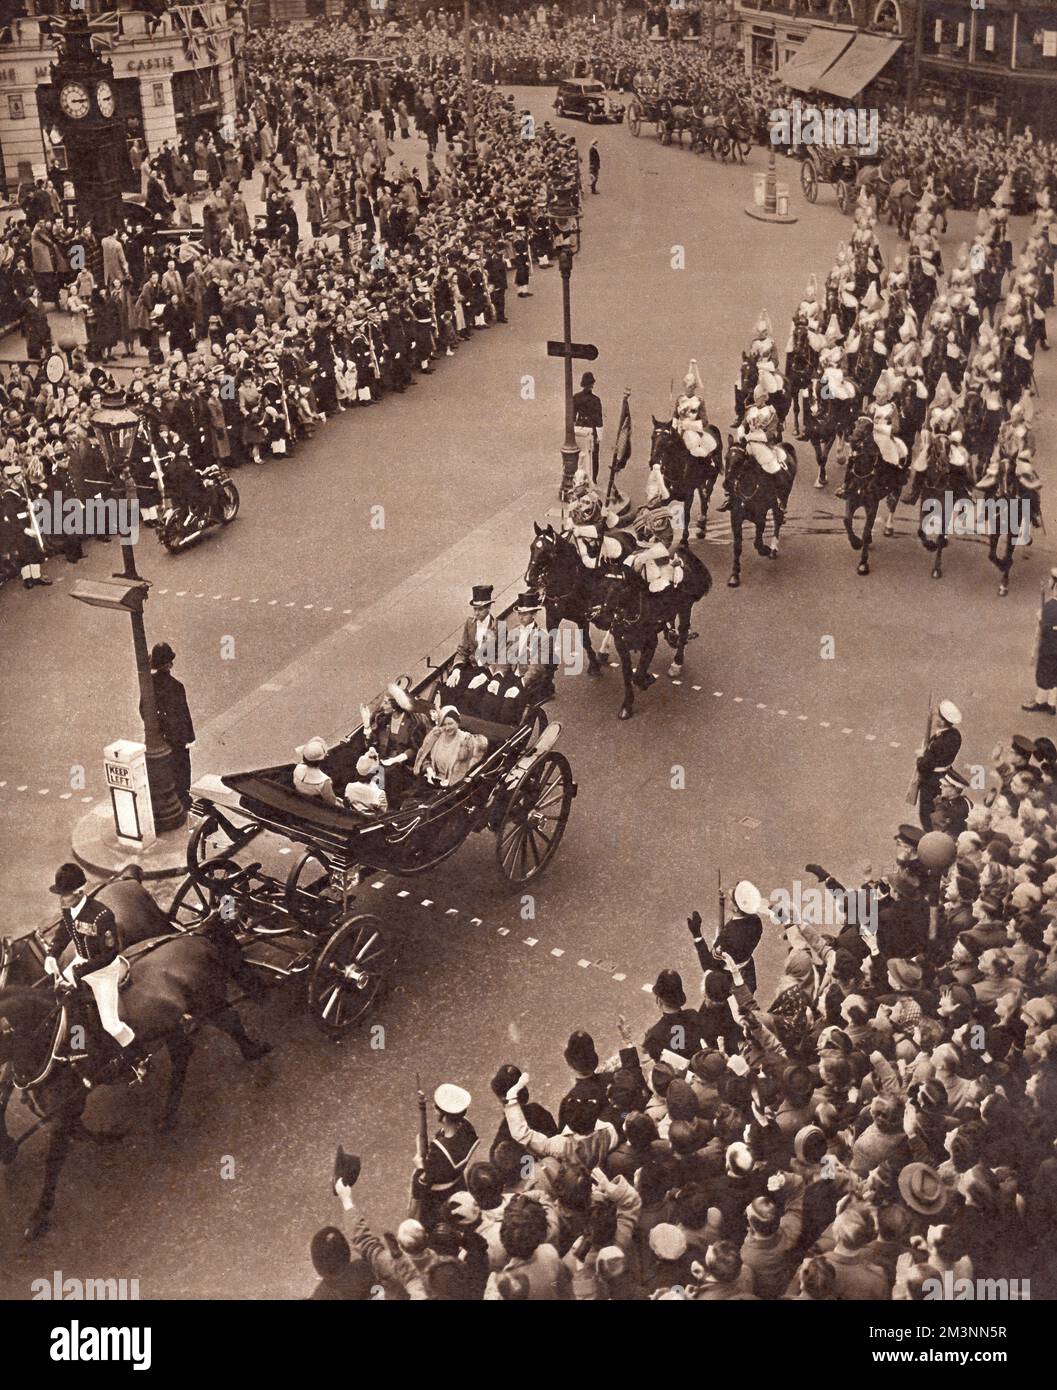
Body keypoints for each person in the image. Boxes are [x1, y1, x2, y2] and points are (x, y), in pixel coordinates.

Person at [43, 862, 146, 1081]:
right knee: (61, 999)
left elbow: (109, 955)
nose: (61, 899)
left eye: (65, 895)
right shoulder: (68, 910)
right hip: (82, 963)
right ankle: (77, 1045)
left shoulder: (101, 916)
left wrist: (80, 971)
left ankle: (140, 1058)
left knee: (112, 1024)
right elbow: (64, 933)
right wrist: (52, 955)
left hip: (103, 971)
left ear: (79, 892)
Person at [411, 1083, 479, 1229]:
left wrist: (419, 1165)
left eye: (436, 1109)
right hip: (459, 1186)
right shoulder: (467, 1128)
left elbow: (422, 1183)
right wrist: (422, 1109)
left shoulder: (439, 1151)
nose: (434, 1111)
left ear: (445, 1117)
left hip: (437, 1199)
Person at [145, 642, 196, 810]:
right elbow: (183, 714)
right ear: (168, 665)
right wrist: (189, 738)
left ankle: (170, 797)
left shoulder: (149, 683)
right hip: (177, 738)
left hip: (159, 737)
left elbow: (143, 709)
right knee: (181, 767)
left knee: (165, 769)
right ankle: (183, 798)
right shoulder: (176, 686)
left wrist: (158, 727)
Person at [413, 706, 488, 787]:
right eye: (444, 725)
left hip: (454, 788)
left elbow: (469, 769)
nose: (447, 728)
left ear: (457, 722)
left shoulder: (466, 741)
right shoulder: (436, 736)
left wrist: (452, 782)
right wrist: (429, 769)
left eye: (450, 723)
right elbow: (426, 758)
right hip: (432, 782)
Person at [917, 699, 963, 829]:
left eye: (939, 717)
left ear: (943, 721)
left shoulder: (937, 743)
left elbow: (924, 766)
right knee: (939, 810)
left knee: (926, 812)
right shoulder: (955, 735)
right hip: (946, 775)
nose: (936, 719)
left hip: (931, 780)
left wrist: (921, 756)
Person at [1024, 567, 1057, 715]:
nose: (1050, 581)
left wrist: (1034, 651)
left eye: (1052, 580)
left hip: (1049, 648)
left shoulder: (1050, 607)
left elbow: (1041, 632)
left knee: (1045, 674)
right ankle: (1051, 704)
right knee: (1054, 675)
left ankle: (1042, 702)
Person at [293, 736, 342, 806]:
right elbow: (331, 802)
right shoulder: (324, 781)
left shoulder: (298, 768)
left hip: (300, 799)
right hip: (314, 805)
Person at [572, 371, 603, 481]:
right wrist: (599, 437)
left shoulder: (576, 397)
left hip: (579, 430)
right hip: (592, 430)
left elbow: (572, 417)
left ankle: (579, 479)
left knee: (580, 456)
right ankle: (592, 479)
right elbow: (599, 420)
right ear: (591, 385)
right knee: (593, 457)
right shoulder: (596, 400)